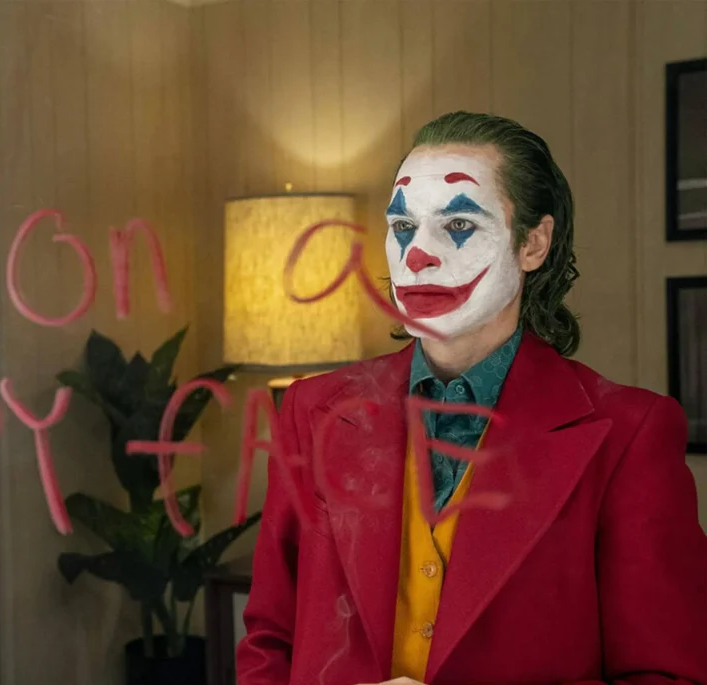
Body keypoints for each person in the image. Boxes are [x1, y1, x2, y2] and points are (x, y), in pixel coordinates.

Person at [236, 111, 707, 685]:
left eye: (458, 225)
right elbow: (268, 642)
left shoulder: (631, 433)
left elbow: (667, 677)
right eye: (403, 227)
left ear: (533, 243)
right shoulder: (313, 412)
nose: (418, 255)